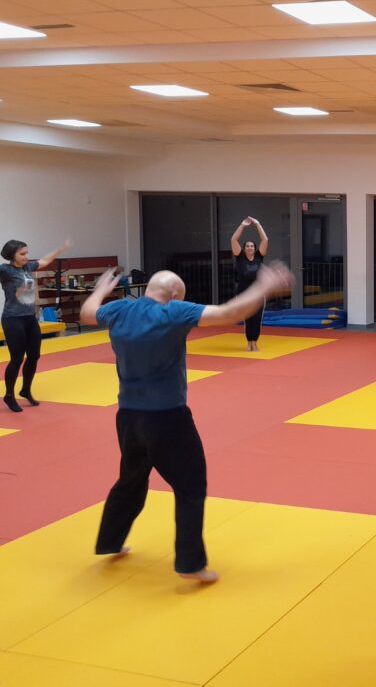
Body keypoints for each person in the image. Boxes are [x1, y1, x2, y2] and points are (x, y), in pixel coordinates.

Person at [80, 260, 294, 581]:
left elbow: (87, 313)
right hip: (167, 418)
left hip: (128, 417)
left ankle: (110, 541)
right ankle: (191, 564)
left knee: (131, 479)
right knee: (190, 486)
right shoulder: (173, 312)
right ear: (175, 296)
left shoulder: (120, 309)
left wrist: (99, 291)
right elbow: (228, 313)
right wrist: (264, 286)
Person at [1, 238, 71, 412]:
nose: (26, 256)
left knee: (34, 355)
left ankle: (25, 389)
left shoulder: (27, 267)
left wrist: (61, 248)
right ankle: (9, 395)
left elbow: (45, 260)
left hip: (30, 318)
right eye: (22, 254)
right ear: (12, 255)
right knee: (17, 358)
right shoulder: (5, 270)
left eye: (27, 253)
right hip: (13, 319)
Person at [230, 216, 269, 351]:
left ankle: (255, 342)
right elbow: (233, 239)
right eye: (247, 246)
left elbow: (265, 240)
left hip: (258, 294)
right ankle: (249, 342)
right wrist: (242, 225)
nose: (250, 248)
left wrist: (257, 224)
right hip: (244, 294)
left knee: (257, 319)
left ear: (255, 248)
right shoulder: (240, 257)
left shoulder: (259, 257)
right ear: (244, 248)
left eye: (252, 246)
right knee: (248, 318)